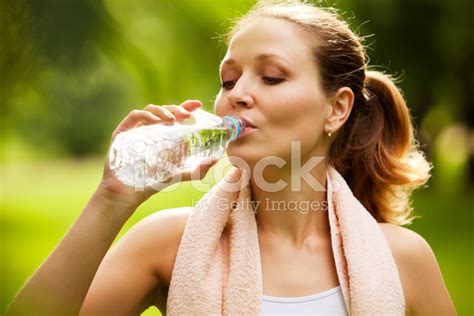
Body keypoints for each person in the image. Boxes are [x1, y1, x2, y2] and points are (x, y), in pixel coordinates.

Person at [7, 1, 456, 315]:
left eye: (272, 77)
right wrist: (111, 198)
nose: (238, 95)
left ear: (336, 109)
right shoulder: (169, 243)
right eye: (228, 80)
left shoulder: (402, 259)